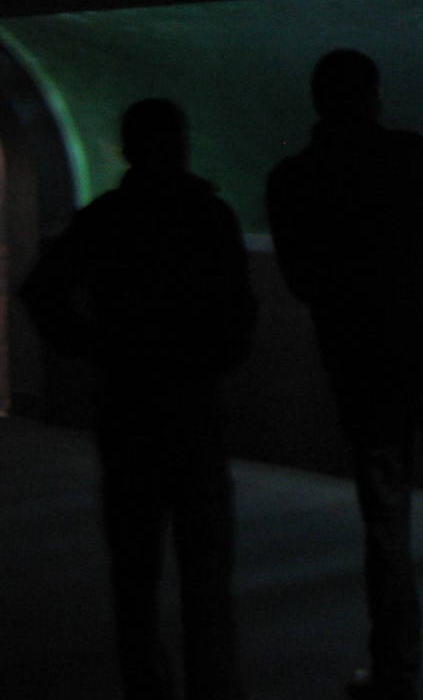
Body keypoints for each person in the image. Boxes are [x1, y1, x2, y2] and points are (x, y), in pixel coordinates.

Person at [266, 50, 423, 700]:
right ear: (374, 96)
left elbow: (300, 282)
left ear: (317, 101)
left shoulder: (291, 178)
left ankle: (393, 669)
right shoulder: (410, 154)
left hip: (361, 366)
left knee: (384, 519)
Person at [21, 98, 256, 700]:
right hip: (194, 408)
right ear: (182, 144)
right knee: (206, 563)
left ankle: (145, 686)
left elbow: (40, 290)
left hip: (126, 406)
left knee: (133, 565)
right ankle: (213, 686)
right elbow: (240, 312)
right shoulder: (209, 215)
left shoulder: (106, 217)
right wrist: (211, 362)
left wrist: (93, 348)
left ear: (125, 148)